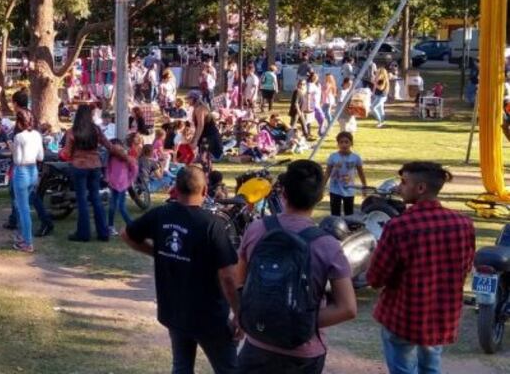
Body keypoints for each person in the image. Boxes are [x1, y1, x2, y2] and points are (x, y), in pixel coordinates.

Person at [236, 160, 356, 373]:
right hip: (302, 352)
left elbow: (239, 280)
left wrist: (263, 315)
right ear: (319, 197)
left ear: (283, 192)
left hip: (257, 342)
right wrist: (296, 320)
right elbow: (347, 308)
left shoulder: (255, 229)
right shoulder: (328, 245)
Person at [122, 167, 241, 374]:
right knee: (229, 369)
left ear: (175, 190)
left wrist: (157, 252)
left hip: (173, 311)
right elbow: (228, 276)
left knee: (181, 366)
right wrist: (239, 313)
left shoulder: (161, 215)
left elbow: (126, 234)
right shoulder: (212, 225)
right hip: (209, 317)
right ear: (205, 190)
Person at [367, 162, 475, 374]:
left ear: (421, 188)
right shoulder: (463, 224)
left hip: (403, 316)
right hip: (440, 314)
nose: (399, 187)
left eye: (404, 182)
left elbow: (375, 278)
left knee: (402, 368)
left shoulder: (399, 226)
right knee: (431, 366)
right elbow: (465, 266)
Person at [62, 104, 128, 242]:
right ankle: (103, 233)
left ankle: (83, 233)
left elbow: (67, 153)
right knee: (96, 198)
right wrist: (125, 156)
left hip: (79, 166)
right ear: (90, 116)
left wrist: (61, 154)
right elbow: (109, 146)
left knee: (82, 201)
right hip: (95, 166)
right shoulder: (96, 130)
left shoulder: (72, 131)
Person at [10, 110, 43, 253]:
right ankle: (23, 236)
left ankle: (27, 241)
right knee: (22, 205)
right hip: (33, 171)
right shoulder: (37, 135)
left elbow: (17, 159)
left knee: (23, 209)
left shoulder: (18, 137)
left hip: (21, 171)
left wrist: (12, 148)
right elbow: (40, 156)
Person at [324, 131, 367, 216]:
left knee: (349, 213)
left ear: (351, 143)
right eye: (341, 142)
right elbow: (327, 172)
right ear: (338, 144)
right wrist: (322, 186)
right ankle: (335, 228)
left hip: (349, 189)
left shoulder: (356, 157)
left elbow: (361, 173)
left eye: (346, 142)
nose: (344, 145)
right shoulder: (333, 156)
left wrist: (364, 187)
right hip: (335, 188)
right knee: (335, 213)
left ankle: (349, 228)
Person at [106, 134, 138, 235]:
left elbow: (134, 169)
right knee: (112, 207)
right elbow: (108, 169)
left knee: (121, 207)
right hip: (113, 185)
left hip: (123, 185)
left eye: (117, 146)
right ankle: (110, 226)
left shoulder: (127, 158)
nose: (115, 148)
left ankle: (132, 226)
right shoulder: (110, 158)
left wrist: (130, 180)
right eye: (113, 146)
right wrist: (108, 179)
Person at [187, 91, 223, 162]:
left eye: (189, 98)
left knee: (201, 159)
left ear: (194, 99)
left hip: (210, 139)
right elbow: (197, 127)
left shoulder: (200, 109)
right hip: (205, 138)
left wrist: (195, 141)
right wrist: (193, 139)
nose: (187, 100)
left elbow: (200, 126)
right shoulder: (195, 109)